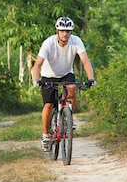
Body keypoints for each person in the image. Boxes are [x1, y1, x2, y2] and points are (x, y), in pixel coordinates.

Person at [31, 16, 96, 151]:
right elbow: (37, 65)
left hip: (66, 73)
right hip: (49, 75)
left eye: (68, 31)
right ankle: (45, 135)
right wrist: (36, 80)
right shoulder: (48, 43)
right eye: (62, 31)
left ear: (71, 32)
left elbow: (85, 61)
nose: (65, 34)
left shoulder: (76, 41)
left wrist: (91, 78)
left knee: (72, 88)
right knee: (48, 105)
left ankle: (68, 118)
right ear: (57, 31)